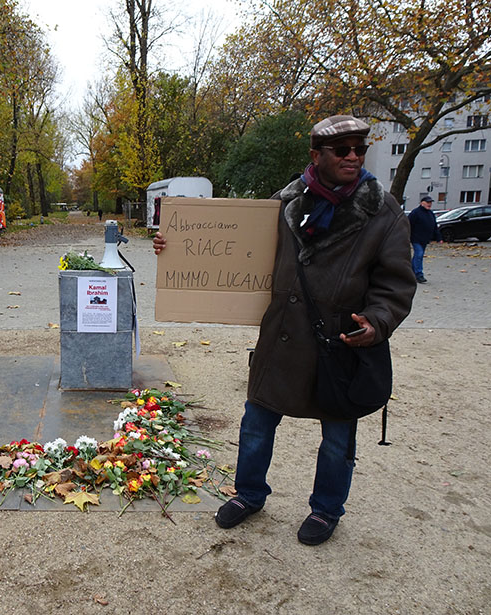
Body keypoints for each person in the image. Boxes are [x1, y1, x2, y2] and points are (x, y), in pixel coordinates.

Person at [153, 115, 416, 545]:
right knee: (256, 422)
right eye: (342, 149)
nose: (354, 156)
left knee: (337, 437)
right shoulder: (286, 201)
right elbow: (237, 248)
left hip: (341, 343)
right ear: (316, 155)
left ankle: (327, 509)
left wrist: (379, 320)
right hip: (283, 336)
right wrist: (173, 245)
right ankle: (249, 494)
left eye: (359, 149)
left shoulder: (381, 210)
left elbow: (396, 281)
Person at [407, 195, 442, 283]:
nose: (429, 204)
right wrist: (407, 236)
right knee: (419, 254)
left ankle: (410, 272)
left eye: (430, 202)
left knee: (418, 256)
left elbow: (434, 226)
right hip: (416, 238)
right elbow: (408, 224)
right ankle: (419, 274)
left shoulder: (430, 213)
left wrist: (439, 238)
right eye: (427, 202)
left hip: (425, 239)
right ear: (422, 203)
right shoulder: (415, 213)